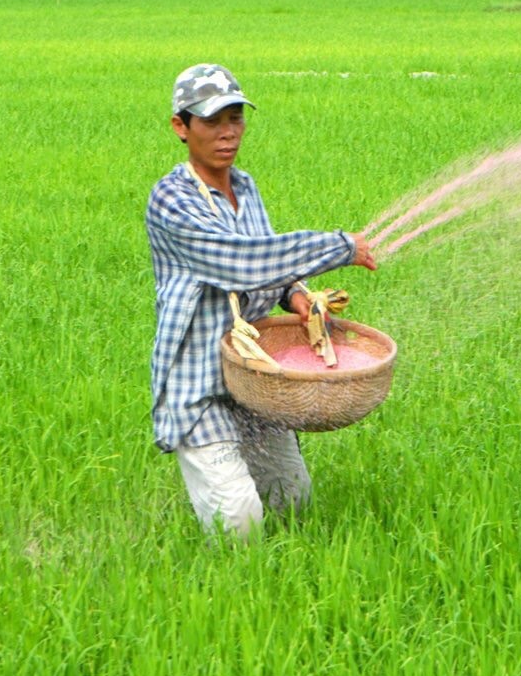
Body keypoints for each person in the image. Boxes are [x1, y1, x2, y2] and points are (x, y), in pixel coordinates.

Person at [145, 63, 377, 541]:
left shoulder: (245, 187)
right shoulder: (170, 200)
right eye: (212, 121)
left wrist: (296, 295)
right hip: (201, 385)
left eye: (236, 118)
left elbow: (271, 268)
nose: (228, 133)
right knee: (240, 525)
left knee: (294, 502)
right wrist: (338, 247)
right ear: (180, 127)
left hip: (257, 379)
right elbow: (240, 260)